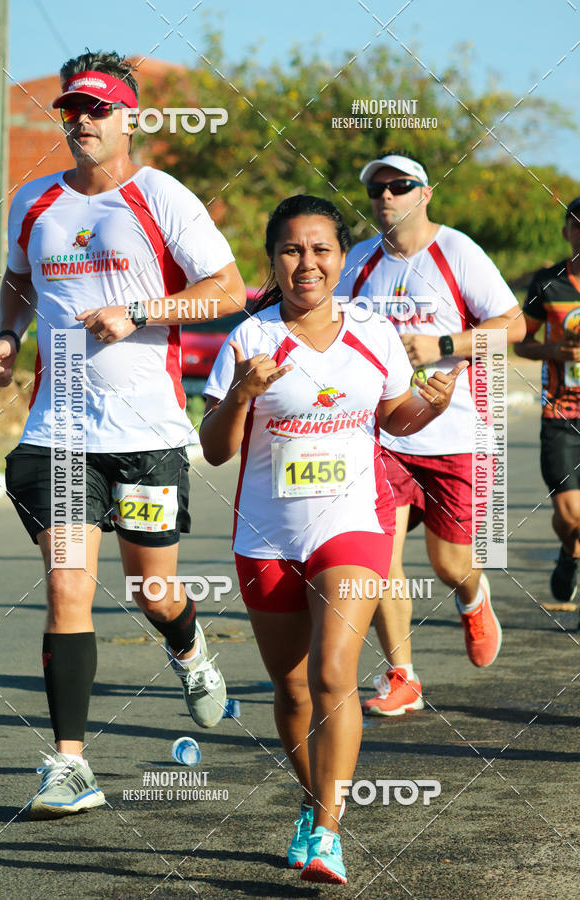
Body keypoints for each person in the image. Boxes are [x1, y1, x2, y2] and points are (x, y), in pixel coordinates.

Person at [0, 50, 246, 820]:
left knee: (152, 590)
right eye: (73, 109)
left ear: (131, 119)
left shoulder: (161, 197)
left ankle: (190, 650)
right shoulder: (34, 203)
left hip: (148, 433)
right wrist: (6, 335)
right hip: (59, 432)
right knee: (68, 585)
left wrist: (143, 312)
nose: (85, 122)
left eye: (99, 109)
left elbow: (227, 290)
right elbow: (19, 281)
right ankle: (69, 765)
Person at [199, 194, 466, 884]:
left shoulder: (373, 334)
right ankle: (313, 799)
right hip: (267, 534)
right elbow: (217, 450)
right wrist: (240, 397)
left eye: (320, 249)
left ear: (342, 259)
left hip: (354, 522)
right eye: (292, 249)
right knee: (290, 693)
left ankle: (327, 833)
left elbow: (395, 421)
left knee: (332, 675)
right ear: (273, 260)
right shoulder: (249, 340)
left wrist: (426, 405)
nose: (307, 263)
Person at [337, 151, 526, 717]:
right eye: (377, 189)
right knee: (378, 560)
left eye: (399, 186)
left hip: (453, 434)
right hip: (384, 435)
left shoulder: (457, 251)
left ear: (425, 194)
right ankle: (403, 676)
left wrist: (445, 345)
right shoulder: (360, 260)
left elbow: (511, 326)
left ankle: (471, 595)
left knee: (449, 562)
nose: (386, 197)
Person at [514, 197, 580, 609]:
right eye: (578, 225)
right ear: (566, 232)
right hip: (560, 414)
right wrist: (556, 351)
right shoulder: (548, 282)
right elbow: (522, 342)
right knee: (572, 517)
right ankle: (569, 551)